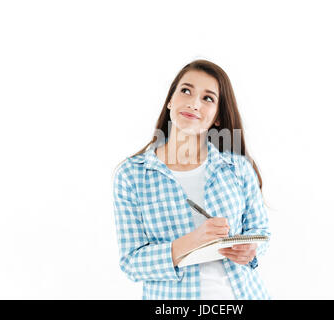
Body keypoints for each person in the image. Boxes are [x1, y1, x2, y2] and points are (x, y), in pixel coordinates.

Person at [112, 59, 271, 300]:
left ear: (217, 117)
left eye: (208, 98)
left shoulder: (238, 168)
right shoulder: (132, 175)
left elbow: (261, 232)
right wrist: (192, 241)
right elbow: (132, 263)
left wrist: (251, 249)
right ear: (170, 100)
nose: (194, 103)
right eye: (186, 90)